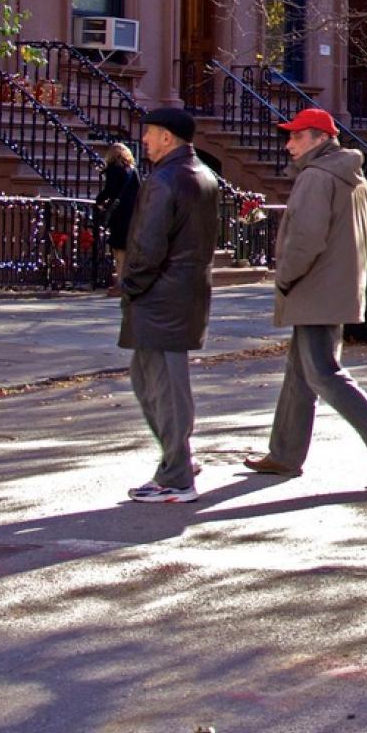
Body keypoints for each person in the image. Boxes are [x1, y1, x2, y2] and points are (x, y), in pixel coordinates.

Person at [243, 108, 367, 488]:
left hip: (314, 287)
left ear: (320, 138)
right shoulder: (353, 178)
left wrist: (285, 278)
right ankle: (285, 454)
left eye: (296, 136)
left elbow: (305, 239)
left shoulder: (317, 177)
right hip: (336, 287)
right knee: (300, 373)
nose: (288, 144)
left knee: (322, 372)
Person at [118, 107, 219, 503]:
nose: (143, 140)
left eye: (150, 133)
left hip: (159, 296)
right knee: (155, 383)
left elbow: (147, 245)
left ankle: (177, 475)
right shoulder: (203, 175)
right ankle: (177, 462)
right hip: (184, 293)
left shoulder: (163, 180)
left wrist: (130, 284)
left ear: (167, 137)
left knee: (161, 388)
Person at [94, 143, 140, 294]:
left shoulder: (113, 170)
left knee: (119, 251)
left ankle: (120, 284)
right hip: (133, 214)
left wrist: (99, 201)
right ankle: (128, 282)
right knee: (128, 250)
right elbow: (140, 191)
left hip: (120, 214)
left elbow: (110, 190)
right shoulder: (133, 171)